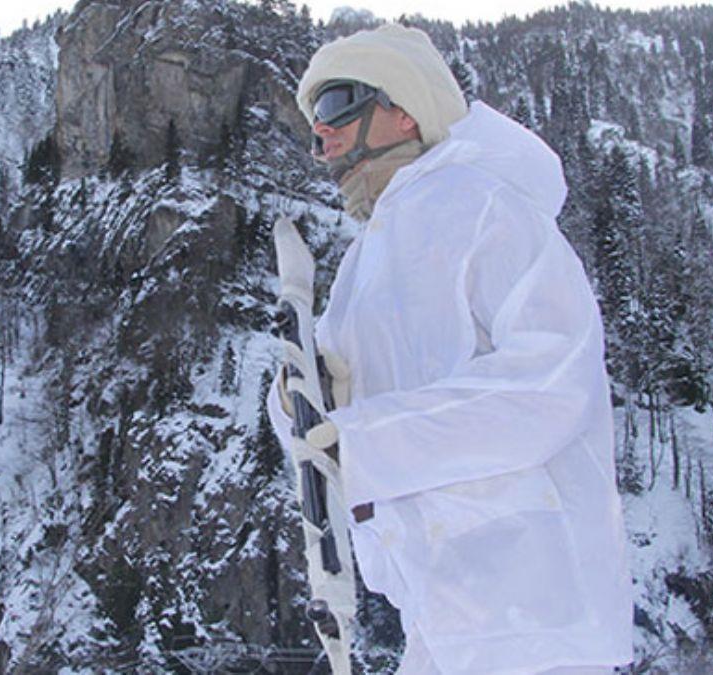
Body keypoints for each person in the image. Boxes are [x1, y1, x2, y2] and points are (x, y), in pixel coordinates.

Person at [265, 25, 634, 674]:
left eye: (333, 107)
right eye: (312, 120)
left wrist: (359, 437)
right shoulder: (362, 263)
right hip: (437, 607)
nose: (320, 137)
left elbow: (550, 388)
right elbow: (325, 424)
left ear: (402, 108)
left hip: (533, 611)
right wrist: (296, 398)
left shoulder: (489, 207)